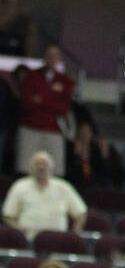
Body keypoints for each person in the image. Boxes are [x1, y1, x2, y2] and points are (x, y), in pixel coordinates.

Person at [14, 45, 75, 174]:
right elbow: (27, 102)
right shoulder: (31, 76)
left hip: (53, 130)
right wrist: (51, 94)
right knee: (26, 169)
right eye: (49, 55)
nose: (52, 59)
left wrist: (41, 98)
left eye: (55, 56)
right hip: (30, 128)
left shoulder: (65, 81)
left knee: (54, 171)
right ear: (44, 57)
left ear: (59, 59)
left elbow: (63, 108)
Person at [3, 149, 87, 237]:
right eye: (37, 164)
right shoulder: (19, 186)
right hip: (27, 241)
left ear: (51, 168)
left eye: (44, 164)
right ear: (31, 168)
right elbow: (8, 216)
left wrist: (74, 234)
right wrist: (18, 230)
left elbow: (81, 213)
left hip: (58, 241)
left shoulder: (64, 187)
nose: (41, 168)